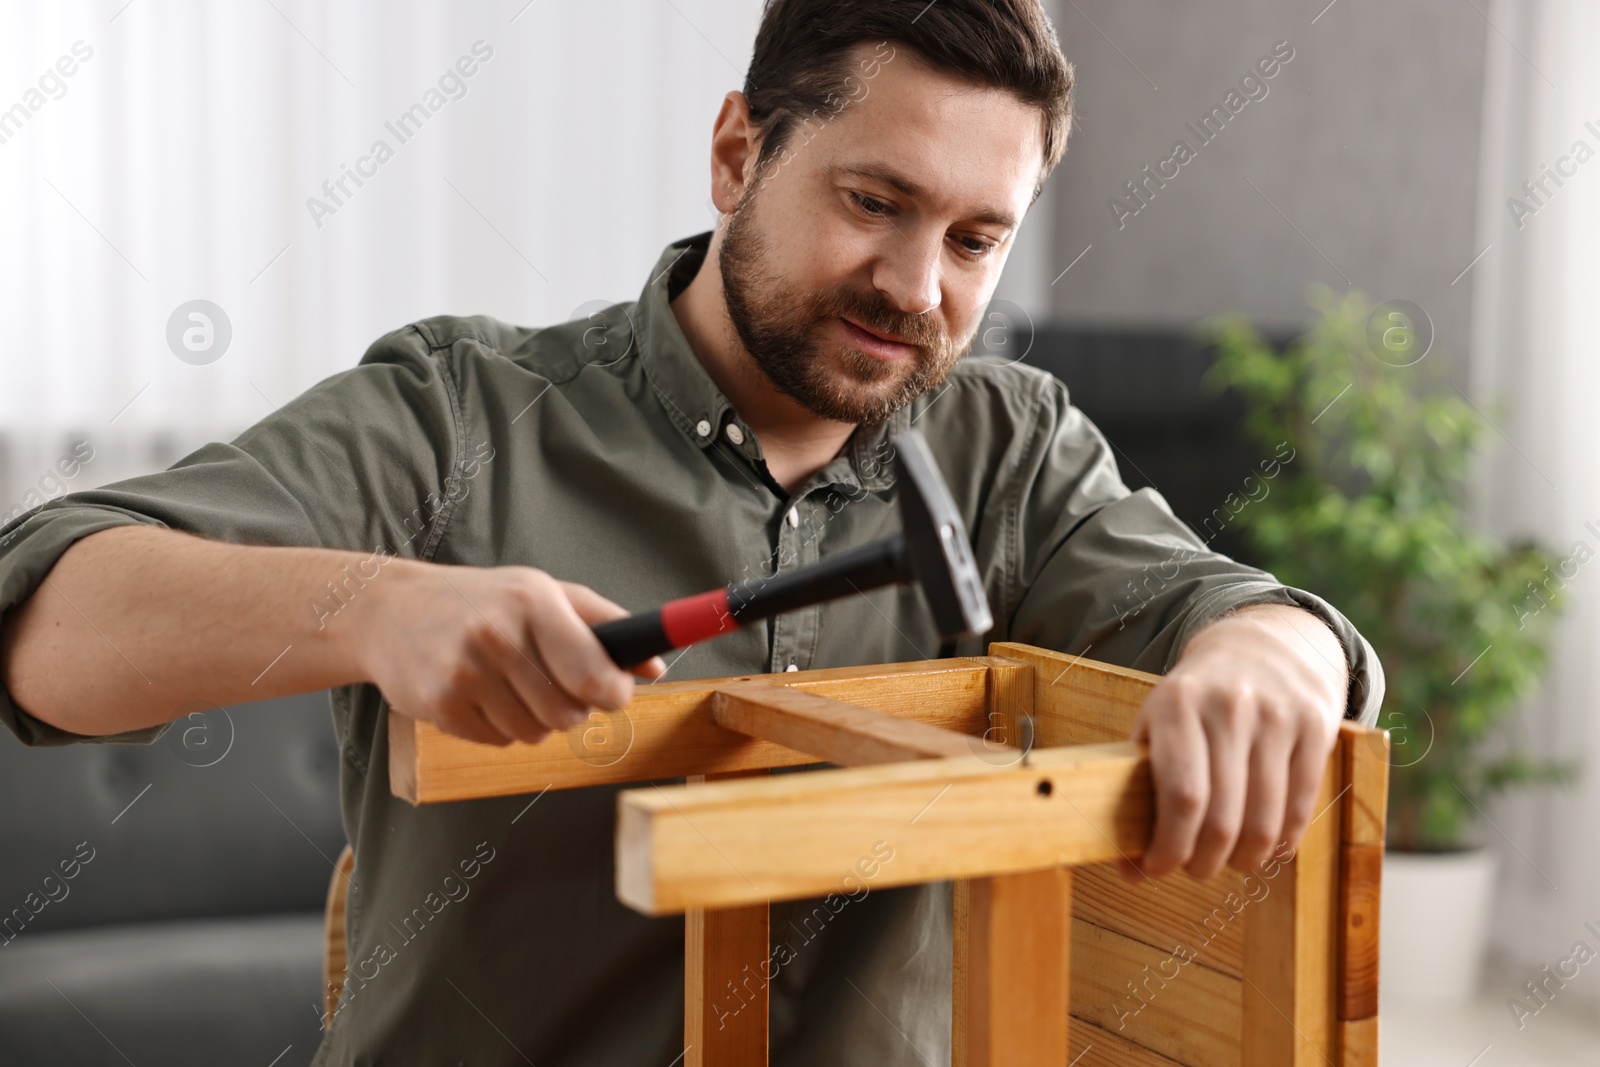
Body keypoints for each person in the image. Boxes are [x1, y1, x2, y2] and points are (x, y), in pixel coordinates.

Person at [0, 1, 1381, 1063]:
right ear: (737, 154)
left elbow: (1244, 615)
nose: (914, 286)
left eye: (974, 240)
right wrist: (378, 605)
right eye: (874, 202)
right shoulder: (458, 409)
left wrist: (1274, 660)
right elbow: (47, 619)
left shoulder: (1006, 445)